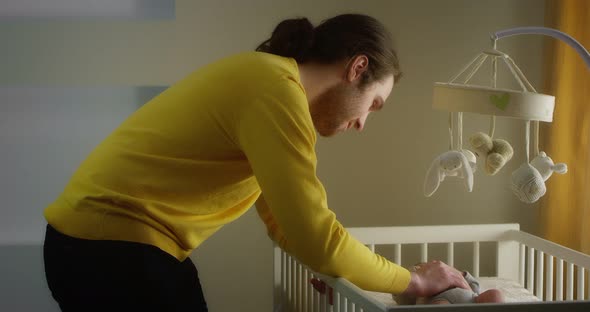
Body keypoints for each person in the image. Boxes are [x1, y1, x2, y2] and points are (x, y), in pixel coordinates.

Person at [42, 14, 471, 311]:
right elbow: (315, 236)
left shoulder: (270, 85)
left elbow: (288, 227)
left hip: (93, 247)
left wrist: (350, 275)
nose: (362, 124)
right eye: (373, 104)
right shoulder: (276, 92)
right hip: (113, 252)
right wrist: (415, 281)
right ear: (357, 67)